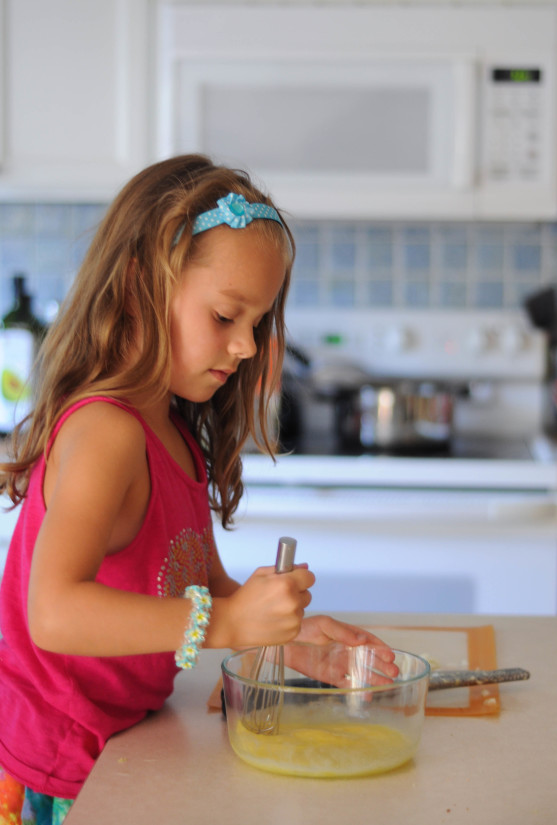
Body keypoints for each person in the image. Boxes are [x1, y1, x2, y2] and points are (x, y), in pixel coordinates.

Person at [0, 155, 397, 824]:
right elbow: (54, 612)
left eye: (257, 322)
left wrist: (281, 640)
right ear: (139, 284)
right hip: (50, 771)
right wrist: (232, 623)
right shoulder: (106, 431)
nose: (245, 345)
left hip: (120, 748)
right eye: (224, 316)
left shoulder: (174, 432)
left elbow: (200, 592)